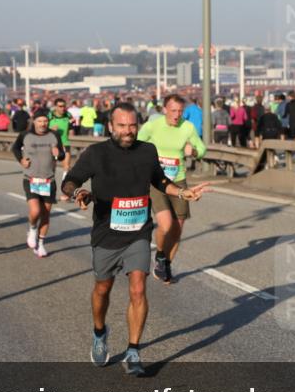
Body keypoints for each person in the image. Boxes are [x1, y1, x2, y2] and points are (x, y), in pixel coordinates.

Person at [62, 103, 211, 375]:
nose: (128, 131)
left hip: (138, 233)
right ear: (110, 126)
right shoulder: (96, 154)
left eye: (132, 125)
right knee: (102, 290)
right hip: (106, 233)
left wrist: (182, 193)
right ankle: (99, 332)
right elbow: (70, 181)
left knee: (138, 289)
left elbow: (160, 180)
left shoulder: (147, 151)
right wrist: (78, 194)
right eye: (122, 126)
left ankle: (133, 350)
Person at [138, 94, 207, 284]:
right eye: (173, 111)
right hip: (157, 181)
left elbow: (202, 148)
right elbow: (136, 143)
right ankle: (160, 255)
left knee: (178, 228)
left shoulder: (187, 127)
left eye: (180, 111)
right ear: (165, 109)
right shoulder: (153, 125)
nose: (177, 115)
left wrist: (192, 151)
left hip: (179, 181)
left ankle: (165, 265)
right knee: (166, 224)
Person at [11, 108, 66, 257]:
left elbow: (61, 155)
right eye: (40, 121)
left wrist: (58, 154)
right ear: (34, 121)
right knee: (35, 211)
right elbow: (15, 148)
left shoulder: (54, 135)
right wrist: (21, 160)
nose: (43, 124)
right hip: (31, 179)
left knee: (46, 214)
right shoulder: (25, 135)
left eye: (45, 121)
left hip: (49, 180)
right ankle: (32, 228)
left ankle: (40, 244)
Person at [48, 98, 73, 182]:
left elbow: (71, 127)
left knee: (67, 166)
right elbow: (42, 129)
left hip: (65, 143)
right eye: (60, 106)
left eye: (64, 106)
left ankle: (64, 185)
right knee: (52, 166)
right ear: (55, 107)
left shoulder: (68, 115)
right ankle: (51, 182)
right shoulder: (49, 116)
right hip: (52, 145)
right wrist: (50, 129)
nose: (62, 108)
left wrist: (72, 128)